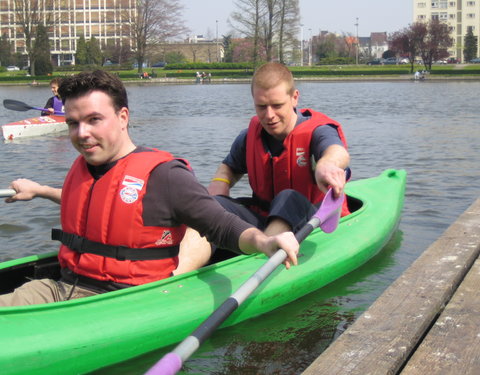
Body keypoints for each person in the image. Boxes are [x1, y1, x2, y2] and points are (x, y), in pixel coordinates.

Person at [1, 70, 299, 307]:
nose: (82, 134)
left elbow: (222, 226)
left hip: (123, 302)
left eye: (94, 120)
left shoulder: (165, 175)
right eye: (73, 123)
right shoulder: (85, 168)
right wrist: (39, 189)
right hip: (59, 288)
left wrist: (265, 243)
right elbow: (92, 206)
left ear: (122, 118)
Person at [207, 62, 350, 238]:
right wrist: (220, 182)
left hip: (312, 221)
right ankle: (184, 264)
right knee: (213, 205)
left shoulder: (318, 131)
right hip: (263, 219)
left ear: (294, 97)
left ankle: (266, 250)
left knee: (288, 197)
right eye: (261, 106)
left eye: (277, 105)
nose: (269, 116)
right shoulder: (249, 136)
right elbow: (230, 167)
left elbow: (336, 151)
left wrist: (327, 165)